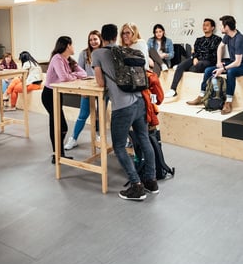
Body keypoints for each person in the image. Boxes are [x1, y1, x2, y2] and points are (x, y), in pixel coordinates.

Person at [92, 24, 158, 201]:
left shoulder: (97, 53)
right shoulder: (126, 50)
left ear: (102, 37)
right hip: (139, 101)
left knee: (119, 146)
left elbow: (100, 82)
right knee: (144, 139)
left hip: (122, 107)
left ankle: (136, 186)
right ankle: (151, 181)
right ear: (116, 36)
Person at [187, 15, 243, 114]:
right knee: (208, 70)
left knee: (231, 72)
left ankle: (228, 102)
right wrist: (218, 62)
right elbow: (220, 47)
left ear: (227, 27)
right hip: (233, 62)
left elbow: (238, 62)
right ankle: (201, 96)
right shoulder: (227, 36)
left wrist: (223, 68)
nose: (220, 28)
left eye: (222, 25)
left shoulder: (240, 39)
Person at [42, 36, 87, 163]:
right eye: (72, 45)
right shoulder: (57, 58)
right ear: (67, 46)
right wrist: (73, 76)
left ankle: (58, 154)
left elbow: (83, 73)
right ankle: (57, 154)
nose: (73, 47)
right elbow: (63, 77)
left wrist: (72, 75)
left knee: (58, 125)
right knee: (60, 125)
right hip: (49, 95)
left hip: (58, 94)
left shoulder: (69, 60)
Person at [165, 18, 222, 98]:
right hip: (196, 59)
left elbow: (213, 53)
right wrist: (195, 57)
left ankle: (185, 68)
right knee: (181, 66)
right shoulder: (199, 39)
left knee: (198, 65)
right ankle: (173, 89)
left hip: (208, 61)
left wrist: (199, 56)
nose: (204, 27)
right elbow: (195, 51)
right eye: (203, 25)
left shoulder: (217, 39)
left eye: (207, 25)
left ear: (212, 27)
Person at [64, 30, 102, 150]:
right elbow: (78, 71)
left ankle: (99, 136)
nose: (93, 42)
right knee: (83, 114)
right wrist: (83, 90)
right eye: (91, 40)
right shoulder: (84, 54)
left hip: (102, 89)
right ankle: (73, 138)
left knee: (100, 115)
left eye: (95, 39)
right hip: (88, 89)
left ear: (100, 39)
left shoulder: (104, 53)